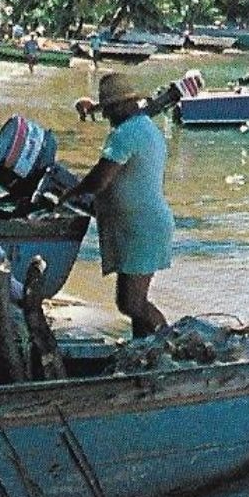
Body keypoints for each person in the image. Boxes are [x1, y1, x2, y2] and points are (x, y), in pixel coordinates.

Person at [59, 72, 173, 337]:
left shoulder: (125, 134)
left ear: (123, 105)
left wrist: (70, 192)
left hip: (142, 228)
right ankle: (144, 350)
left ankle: (169, 340)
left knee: (131, 303)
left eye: (109, 109)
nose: (107, 116)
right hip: (143, 226)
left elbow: (100, 179)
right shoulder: (144, 127)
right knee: (134, 304)